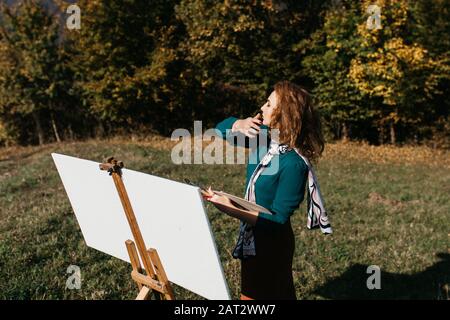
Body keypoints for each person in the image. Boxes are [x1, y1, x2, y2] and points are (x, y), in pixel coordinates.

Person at [202, 80, 330, 300]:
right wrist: (238, 124)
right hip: (254, 235)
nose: (262, 108)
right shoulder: (263, 139)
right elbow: (219, 129)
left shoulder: (294, 164)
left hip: (271, 244)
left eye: (269, 105)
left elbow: (278, 220)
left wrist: (231, 208)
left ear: (285, 115)